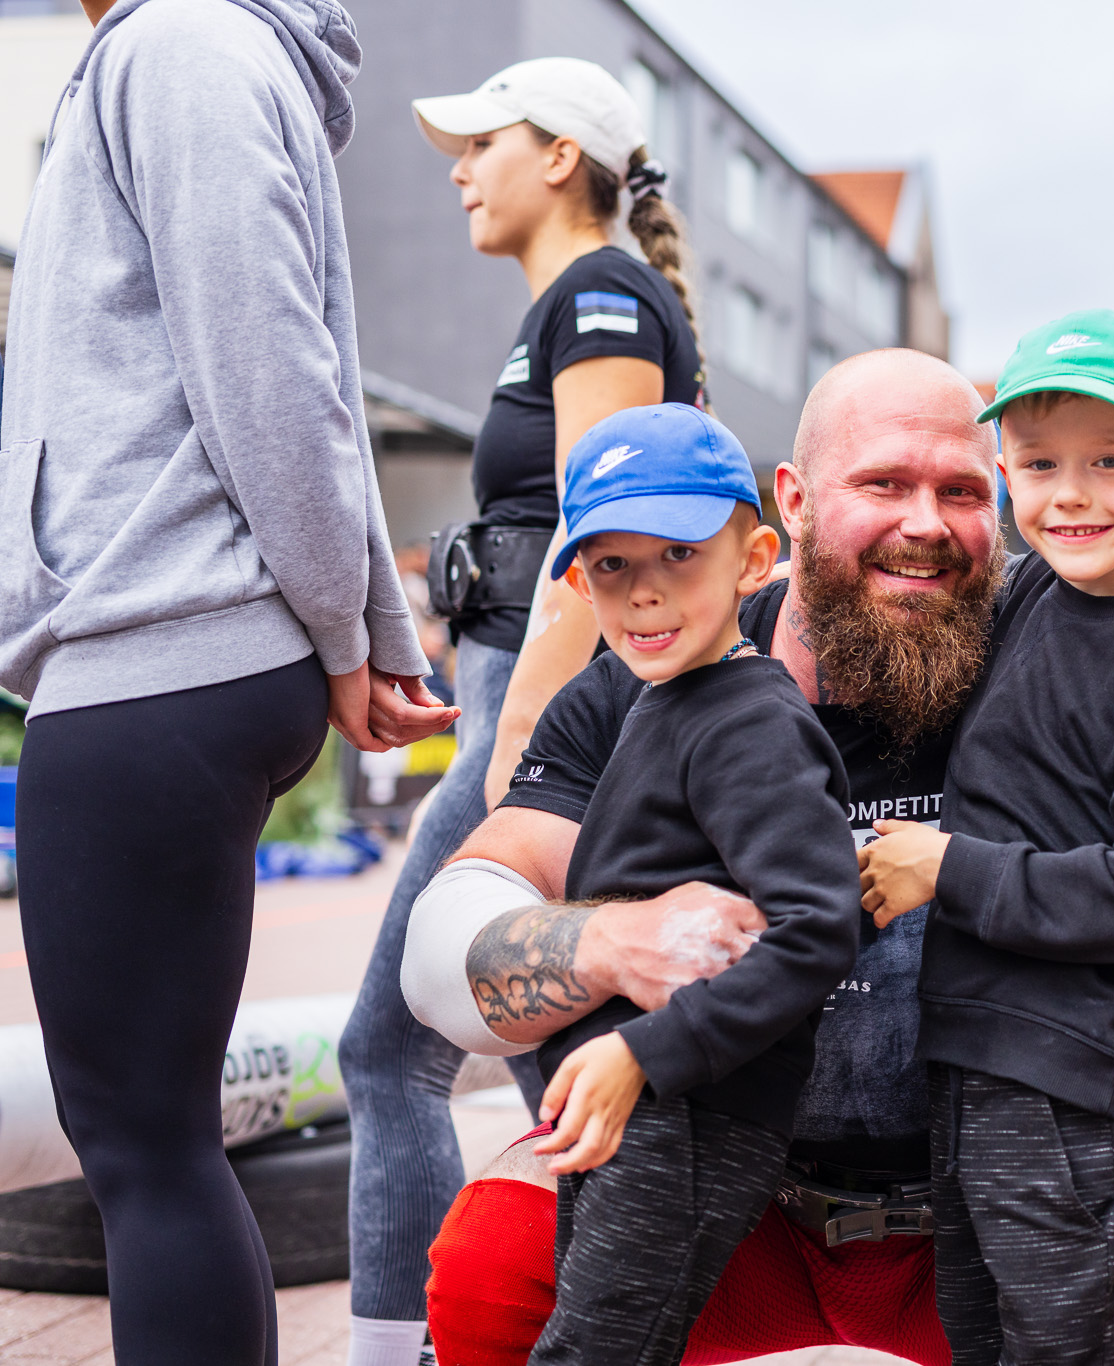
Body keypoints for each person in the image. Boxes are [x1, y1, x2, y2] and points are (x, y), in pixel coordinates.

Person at [402, 349, 1114, 1365]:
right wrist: (607, 943)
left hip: (993, 1200)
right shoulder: (654, 673)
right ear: (790, 504)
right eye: (882, 483)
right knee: (488, 1268)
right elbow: (440, 954)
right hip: (721, 1199)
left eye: (961, 491)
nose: (924, 523)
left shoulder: (1061, 636)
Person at [0, 0, 453, 1361]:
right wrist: (363, 628)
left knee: (143, 1148)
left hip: (159, 650)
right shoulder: (184, 48)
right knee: (156, 1143)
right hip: (176, 649)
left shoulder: (181, 44)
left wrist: (352, 636)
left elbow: (276, 377)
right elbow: (303, 372)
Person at [339, 56, 709, 1366]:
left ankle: (417, 1350)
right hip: (520, 697)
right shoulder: (579, 300)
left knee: (389, 1052)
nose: (458, 170)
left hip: (539, 715)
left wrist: (514, 749)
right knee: (553, 1051)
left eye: (481, 143)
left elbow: (601, 536)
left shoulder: (600, 295)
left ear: (559, 156)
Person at [859, 311, 1114, 1366]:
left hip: (1063, 1080)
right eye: (1040, 464)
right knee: (977, 1334)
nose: (1070, 493)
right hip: (976, 1055)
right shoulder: (1035, 589)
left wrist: (946, 868)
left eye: (1110, 462)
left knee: (1060, 1344)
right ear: (1006, 474)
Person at [507, 404, 860, 1362]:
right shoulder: (666, 700)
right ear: (578, 581)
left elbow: (818, 929)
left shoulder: (750, 723)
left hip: (689, 1109)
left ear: (754, 561)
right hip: (638, 1099)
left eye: (678, 554)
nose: (644, 593)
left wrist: (644, 1053)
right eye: (611, 566)